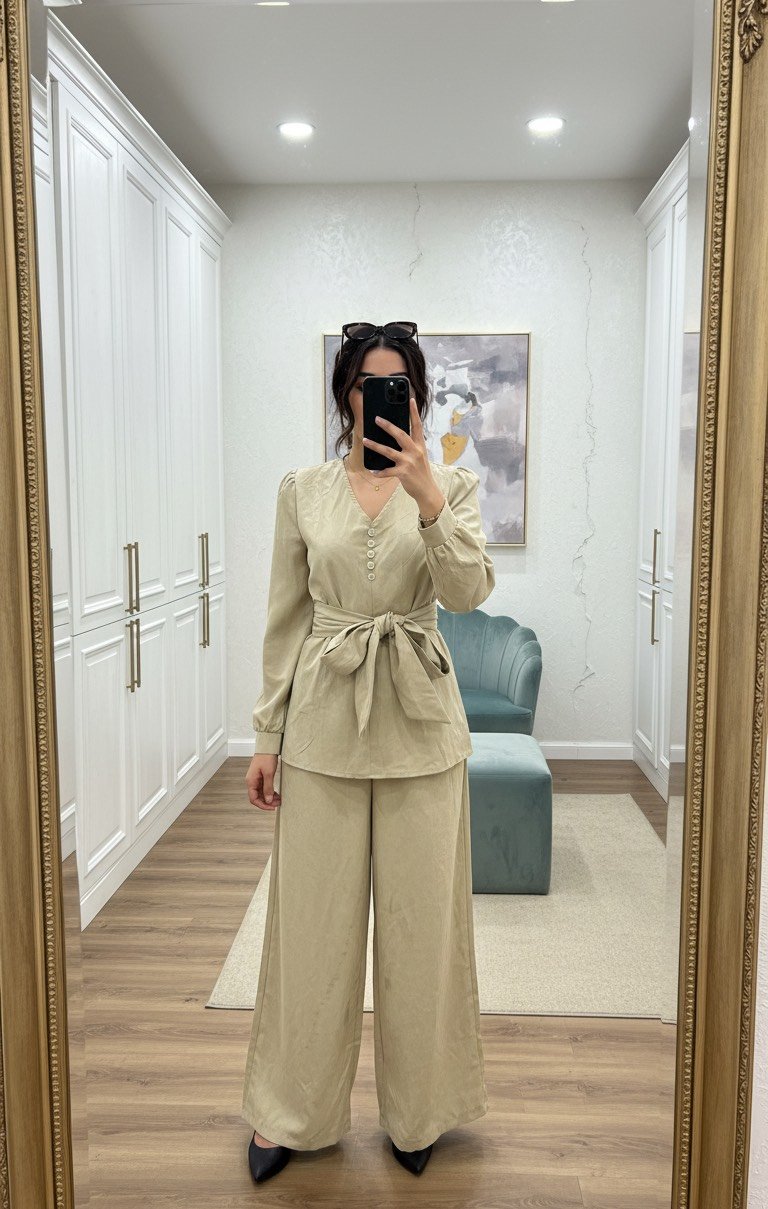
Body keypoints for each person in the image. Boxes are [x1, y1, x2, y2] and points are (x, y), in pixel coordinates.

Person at [241, 320, 495, 1184]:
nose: (381, 399)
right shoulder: (303, 490)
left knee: (423, 933)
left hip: (423, 728)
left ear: (416, 398)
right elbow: (286, 619)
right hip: (322, 728)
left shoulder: (453, 486)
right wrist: (266, 735)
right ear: (345, 395)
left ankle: (420, 1109)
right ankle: (290, 1108)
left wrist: (429, 499)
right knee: (309, 932)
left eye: (399, 386)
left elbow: (468, 591)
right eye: (365, 384)